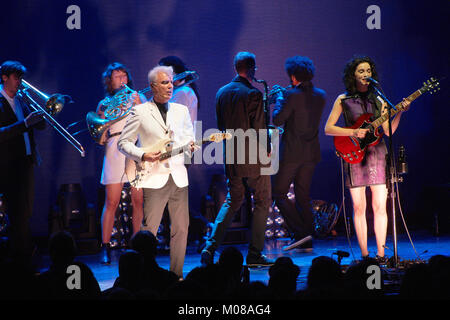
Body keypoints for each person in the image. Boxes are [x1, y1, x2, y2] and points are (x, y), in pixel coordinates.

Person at [324, 55, 410, 260]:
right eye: (361, 71)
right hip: (354, 154)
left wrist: (400, 113)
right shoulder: (343, 99)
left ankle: (381, 253)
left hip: (378, 154)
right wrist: (353, 133)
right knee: (359, 206)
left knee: (380, 205)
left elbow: (389, 132)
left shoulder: (379, 99)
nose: (365, 75)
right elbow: (328, 129)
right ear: (353, 75)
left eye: (368, 71)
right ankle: (365, 255)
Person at [118, 65, 195, 278]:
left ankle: (176, 275)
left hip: (178, 176)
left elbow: (189, 137)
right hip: (154, 177)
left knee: (181, 229)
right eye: (164, 82)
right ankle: (144, 275)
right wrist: (143, 154)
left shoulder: (182, 110)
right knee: (149, 230)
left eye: (171, 82)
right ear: (153, 86)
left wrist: (189, 146)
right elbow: (123, 143)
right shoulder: (140, 111)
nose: (170, 86)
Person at [201, 52, 273, 267]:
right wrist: (267, 148)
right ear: (252, 69)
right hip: (253, 157)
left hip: (231, 156)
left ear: (235, 68)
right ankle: (254, 255)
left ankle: (210, 247)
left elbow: (221, 126)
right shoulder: (253, 93)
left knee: (233, 200)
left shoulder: (221, 93)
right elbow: (258, 128)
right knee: (263, 202)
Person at [271, 56, 326, 252]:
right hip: (311, 153)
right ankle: (307, 237)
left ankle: (300, 233)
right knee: (303, 196)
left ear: (293, 77)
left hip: (292, 153)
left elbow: (277, 120)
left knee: (278, 192)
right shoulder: (321, 95)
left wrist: (279, 98)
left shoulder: (290, 95)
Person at [96, 62, 145, 264]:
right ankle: (105, 247)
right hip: (115, 148)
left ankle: (137, 245)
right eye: (117, 76)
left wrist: (139, 104)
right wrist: (103, 129)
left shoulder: (137, 97)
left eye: (124, 75)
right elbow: (99, 138)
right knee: (112, 202)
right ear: (110, 81)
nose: (122, 79)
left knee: (138, 200)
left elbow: (148, 122)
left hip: (133, 146)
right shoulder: (104, 104)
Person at [0, 60, 45, 263]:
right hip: (8, 165)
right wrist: (24, 124)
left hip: (26, 162)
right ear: (5, 78)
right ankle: (21, 255)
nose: (20, 82)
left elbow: (41, 126)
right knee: (16, 211)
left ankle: (24, 252)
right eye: (17, 78)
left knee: (26, 209)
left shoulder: (21, 101)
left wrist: (46, 112)